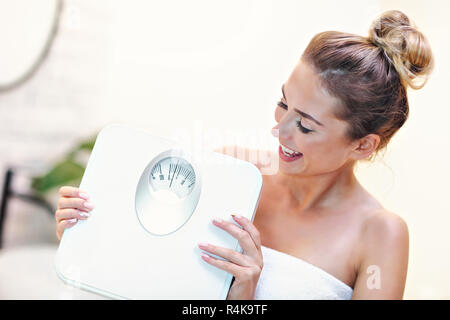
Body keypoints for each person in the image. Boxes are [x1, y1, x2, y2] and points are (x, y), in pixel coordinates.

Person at [55, 10, 434, 299]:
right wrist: (88, 236)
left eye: (305, 125)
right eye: (283, 103)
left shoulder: (380, 234)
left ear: (363, 144)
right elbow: (150, 280)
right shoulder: (230, 170)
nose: (279, 130)